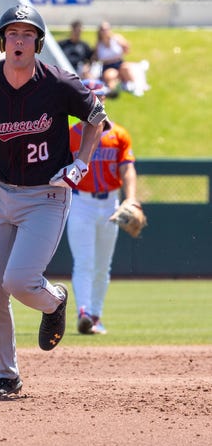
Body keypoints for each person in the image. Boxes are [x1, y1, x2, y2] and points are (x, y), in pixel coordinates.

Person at [0, 3, 108, 399]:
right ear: (2, 42)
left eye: (27, 34)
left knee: (18, 281)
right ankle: (6, 374)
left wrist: (81, 163)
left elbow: (96, 118)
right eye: (12, 34)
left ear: (38, 43)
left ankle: (55, 302)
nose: (19, 41)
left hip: (46, 194)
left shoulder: (58, 82)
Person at [67, 79, 139, 335]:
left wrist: (131, 198)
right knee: (84, 261)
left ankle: (95, 315)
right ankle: (83, 312)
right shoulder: (72, 134)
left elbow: (127, 169)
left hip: (110, 203)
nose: (98, 100)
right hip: (81, 202)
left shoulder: (118, 135)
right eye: (92, 95)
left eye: (101, 96)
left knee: (102, 265)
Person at [94, 21, 138, 95]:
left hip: (119, 63)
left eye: (107, 29)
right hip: (108, 66)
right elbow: (97, 58)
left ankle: (134, 87)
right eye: (103, 30)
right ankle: (115, 89)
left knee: (126, 68)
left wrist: (124, 45)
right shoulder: (99, 44)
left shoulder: (117, 38)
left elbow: (127, 50)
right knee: (110, 76)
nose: (105, 31)